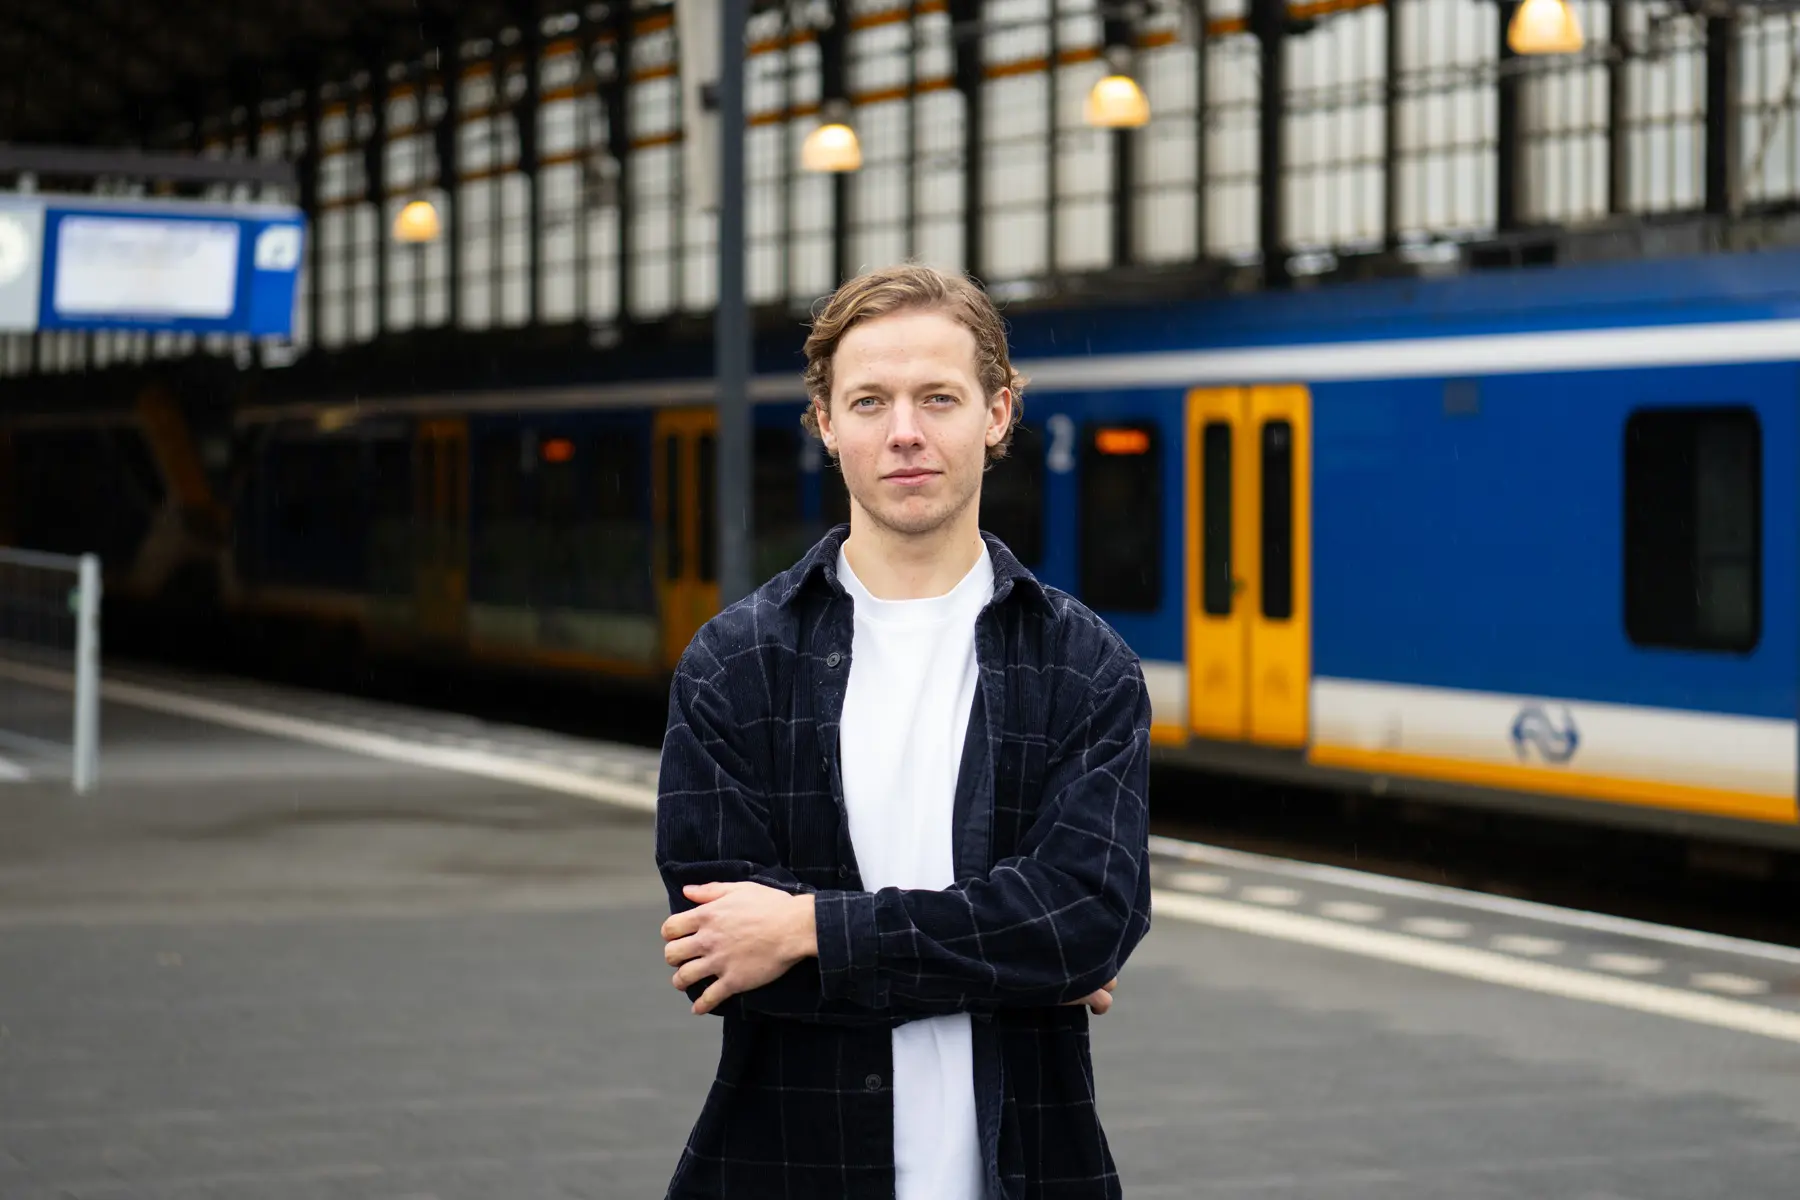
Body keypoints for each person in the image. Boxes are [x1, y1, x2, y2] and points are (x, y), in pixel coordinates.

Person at [655, 262, 1153, 1200]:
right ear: (824, 423)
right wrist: (1014, 959)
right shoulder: (732, 665)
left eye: (939, 397)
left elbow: (1084, 924)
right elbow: (721, 962)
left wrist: (807, 928)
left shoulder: (1085, 667)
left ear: (998, 413)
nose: (906, 433)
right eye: (871, 401)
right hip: (783, 1172)